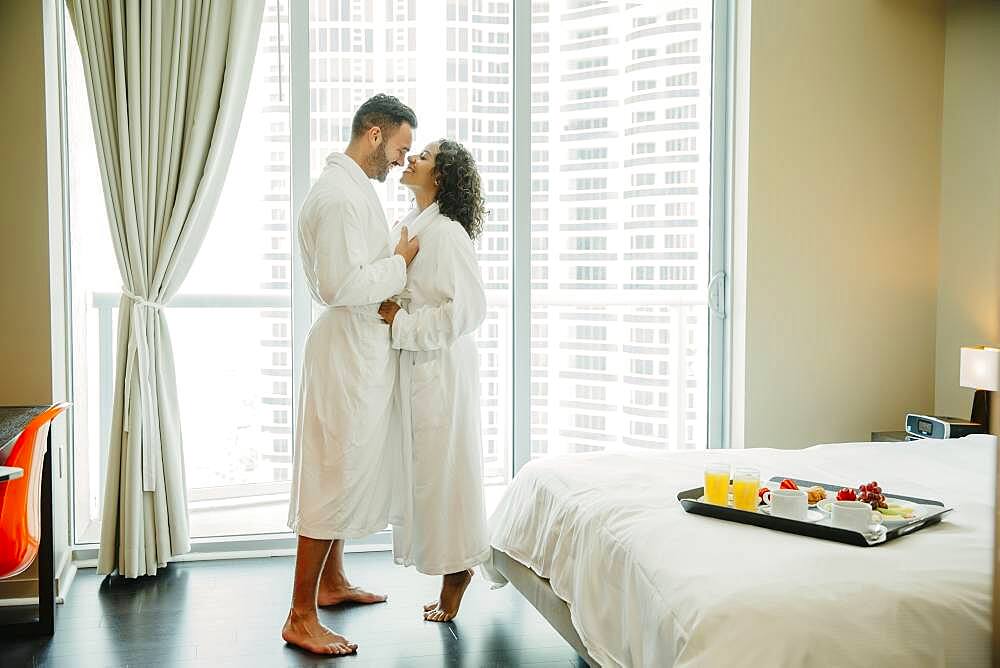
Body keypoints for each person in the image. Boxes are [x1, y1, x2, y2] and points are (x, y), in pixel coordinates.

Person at [282, 94, 419, 655]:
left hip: (356, 351)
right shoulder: (339, 197)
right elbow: (340, 284)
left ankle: (333, 583)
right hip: (344, 351)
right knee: (328, 474)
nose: (399, 162)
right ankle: (299, 615)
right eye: (399, 149)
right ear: (373, 133)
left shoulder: (349, 191)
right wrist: (400, 262)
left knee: (341, 467)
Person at [378, 139, 490, 622]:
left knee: (447, 472)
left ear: (440, 176)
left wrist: (399, 322)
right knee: (427, 473)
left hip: (441, 370)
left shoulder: (446, 233)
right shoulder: (412, 225)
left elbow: (467, 310)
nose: (412, 159)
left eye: (423, 156)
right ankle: (452, 569)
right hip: (418, 366)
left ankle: (458, 572)